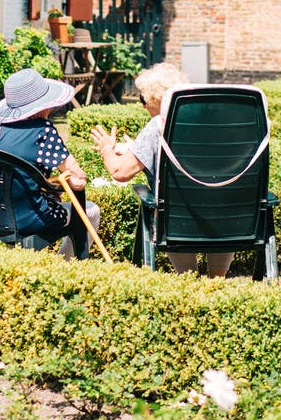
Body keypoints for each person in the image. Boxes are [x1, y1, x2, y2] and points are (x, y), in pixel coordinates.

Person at [89, 62, 234, 278]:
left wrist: (107, 149)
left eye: (142, 99)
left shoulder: (158, 125)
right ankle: (217, 279)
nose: (143, 105)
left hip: (179, 220)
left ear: (155, 100)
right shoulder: (215, 124)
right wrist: (137, 149)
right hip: (228, 218)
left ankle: (189, 280)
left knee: (167, 207)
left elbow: (119, 172)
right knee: (213, 204)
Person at [0, 68, 101, 259]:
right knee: (92, 211)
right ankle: (65, 268)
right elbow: (78, 180)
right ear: (43, 106)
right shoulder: (41, 131)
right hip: (26, 219)